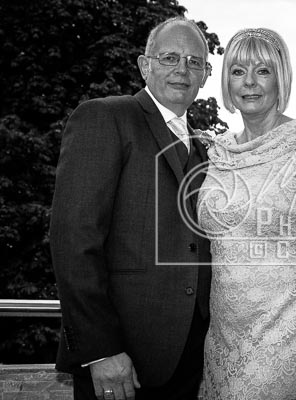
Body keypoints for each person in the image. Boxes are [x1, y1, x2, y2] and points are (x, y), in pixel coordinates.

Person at [49, 17, 212, 400]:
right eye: (170, 57)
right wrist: (99, 349)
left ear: (205, 75)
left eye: (194, 62)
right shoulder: (105, 117)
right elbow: (73, 238)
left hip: (193, 360)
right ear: (145, 65)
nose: (181, 70)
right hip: (121, 360)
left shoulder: (206, 148)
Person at [197, 28, 296, 399]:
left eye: (262, 70)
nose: (249, 82)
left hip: (287, 328)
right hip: (222, 337)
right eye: (237, 71)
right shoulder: (217, 152)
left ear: (280, 78)